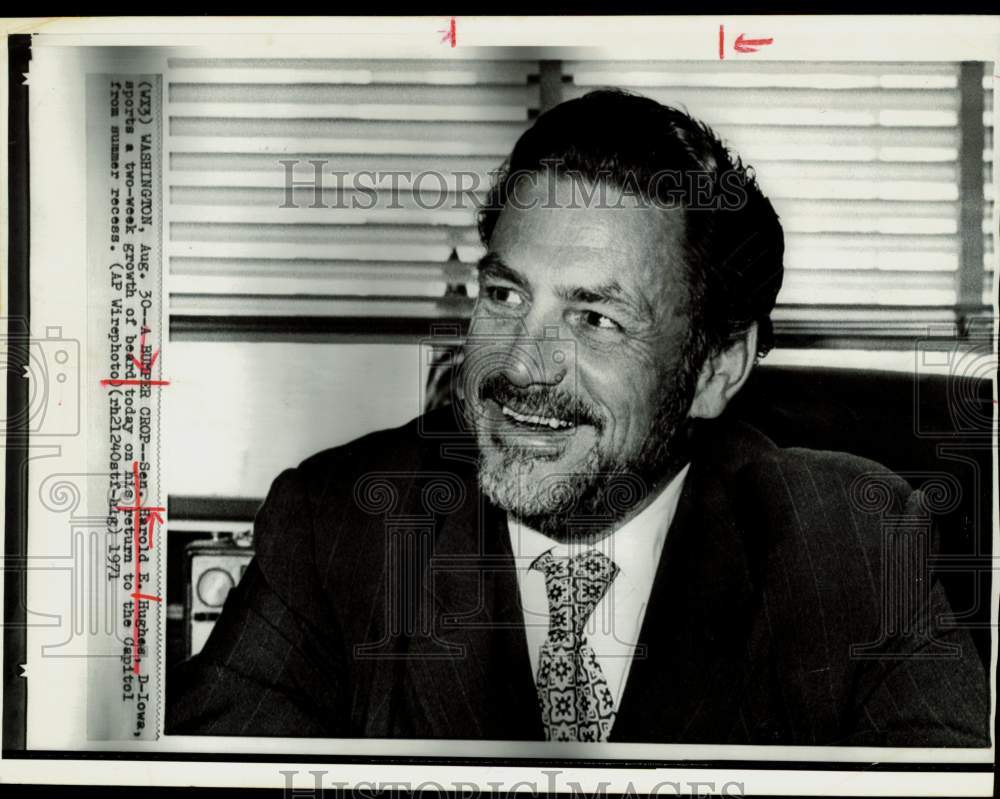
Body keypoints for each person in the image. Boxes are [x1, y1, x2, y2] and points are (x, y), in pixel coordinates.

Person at [167, 90, 990, 746]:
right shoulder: (339, 523)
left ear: (714, 370)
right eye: (506, 294)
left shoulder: (850, 543)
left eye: (596, 318)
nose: (520, 366)